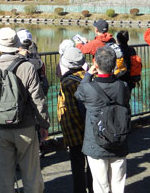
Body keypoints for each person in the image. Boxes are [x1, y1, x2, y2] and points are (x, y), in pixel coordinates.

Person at [0, 27, 49, 193]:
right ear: (16, 45)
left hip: (1, 129)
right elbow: (37, 99)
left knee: (6, 178)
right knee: (31, 176)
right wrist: (44, 124)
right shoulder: (27, 67)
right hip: (26, 127)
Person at [75, 47, 130, 193]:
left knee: (100, 185)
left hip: (96, 141)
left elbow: (78, 94)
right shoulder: (123, 86)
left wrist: (87, 75)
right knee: (118, 183)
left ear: (95, 63)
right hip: (118, 138)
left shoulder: (88, 88)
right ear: (114, 65)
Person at [57, 47, 93, 193]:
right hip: (91, 130)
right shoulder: (90, 77)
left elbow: (70, 111)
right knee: (92, 165)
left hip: (75, 132)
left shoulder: (67, 83)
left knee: (77, 166)